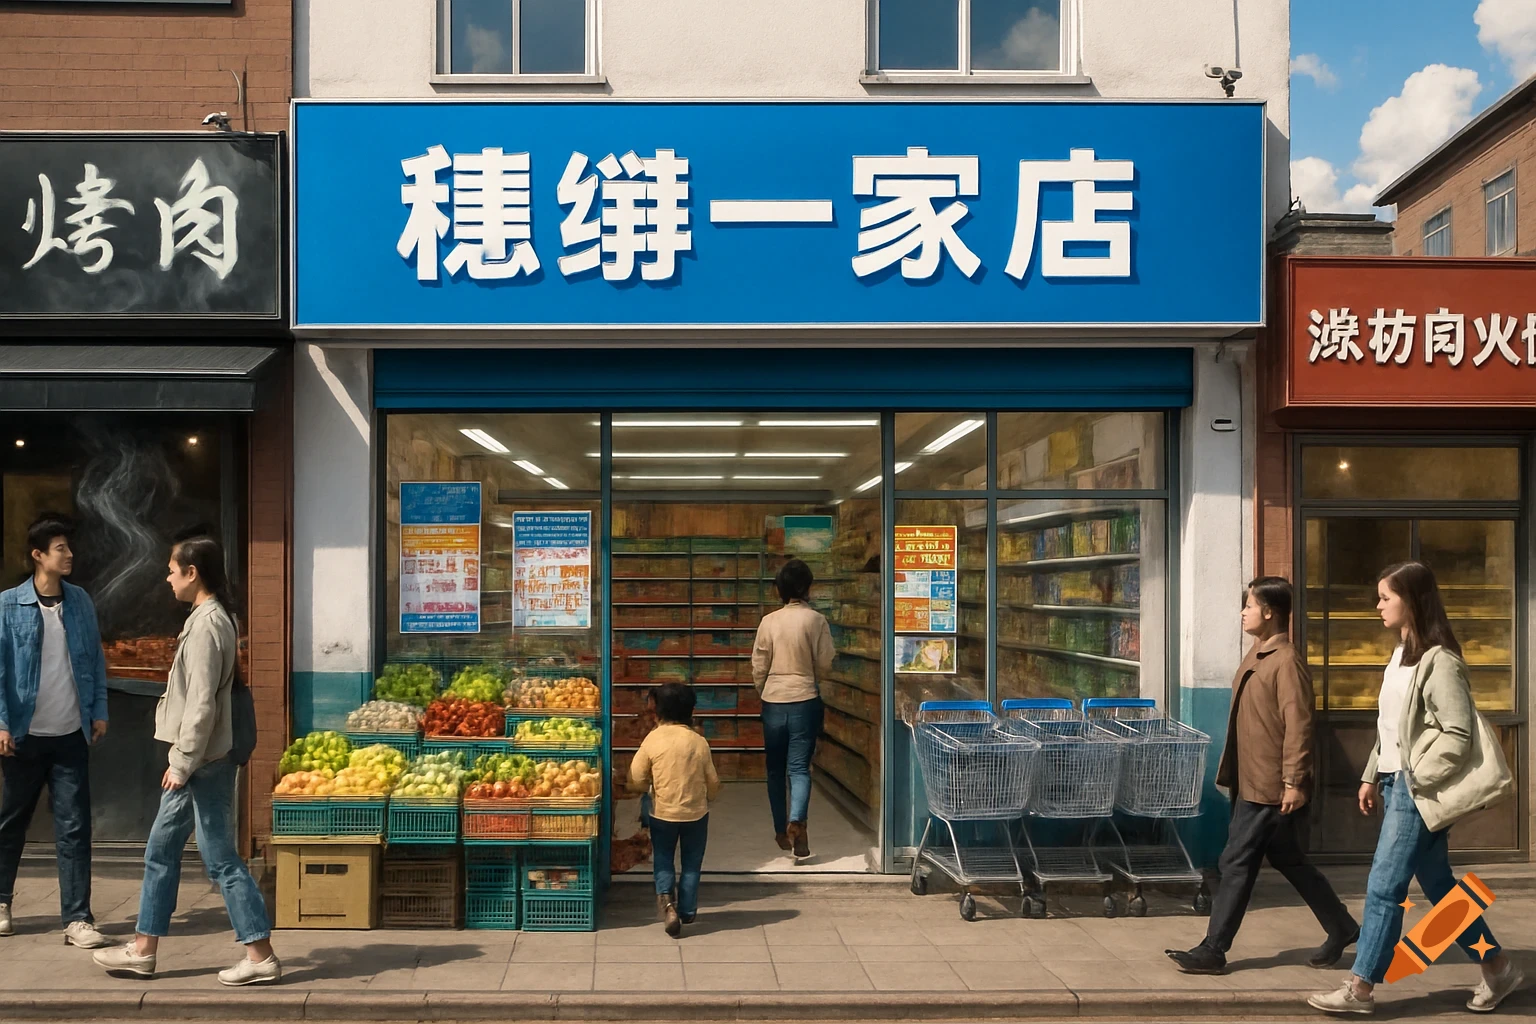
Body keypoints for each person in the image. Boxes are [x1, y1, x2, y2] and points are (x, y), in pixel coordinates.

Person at [1309, 562, 1521, 1016]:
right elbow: (1392, 728)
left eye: (1386, 597)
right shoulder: (1399, 655)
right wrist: (1372, 774)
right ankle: (1499, 967)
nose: (1378, 605)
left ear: (1413, 600)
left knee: (1385, 886)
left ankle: (1360, 988)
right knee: (1441, 888)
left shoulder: (1439, 661)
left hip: (1414, 789)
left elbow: (1458, 733)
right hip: (1394, 783)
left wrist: (1415, 775)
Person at [94, 533, 280, 986]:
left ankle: (260, 955)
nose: (167, 577)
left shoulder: (208, 625)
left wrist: (181, 763)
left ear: (192, 573)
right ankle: (143, 949)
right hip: (198, 759)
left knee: (220, 860)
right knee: (160, 851)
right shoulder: (212, 619)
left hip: (202, 763)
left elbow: (201, 705)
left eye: (172, 569)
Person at [1167, 577, 1356, 975]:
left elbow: (1299, 724)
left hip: (1270, 785)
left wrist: (1292, 781)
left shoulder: (1286, 661)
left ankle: (1213, 949)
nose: (1243, 612)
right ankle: (1341, 925)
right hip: (1251, 779)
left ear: (1269, 612)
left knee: (1235, 861)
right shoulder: (1258, 654)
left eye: (1249, 605)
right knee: (1289, 859)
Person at [0, 514, 112, 949]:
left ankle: (78, 918)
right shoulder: (9, 605)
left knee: (73, 827)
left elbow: (94, 660)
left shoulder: (80, 601)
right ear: (38, 555)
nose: (69, 555)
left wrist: (98, 709)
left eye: (69, 547)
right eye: (61, 548)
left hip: (70, 734)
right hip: (24, 736)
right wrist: (3, 723)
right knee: (10, 823)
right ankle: (2, 901)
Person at [751, 557, 833, 861]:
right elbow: (825, 661)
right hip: (804, 699)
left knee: (775, 770)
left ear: (779, 590)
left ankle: (779, 828)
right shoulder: (816, 620)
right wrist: (810, 677)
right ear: (808, 587)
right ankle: (797, 819)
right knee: (799, 768)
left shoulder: (769, 621)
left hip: (774, 700)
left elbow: (759, 664)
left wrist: (765, 689)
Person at [628, 681, 719, 938]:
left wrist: (643, 787)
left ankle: (667, 904)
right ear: (691, 711)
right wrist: (710, 797)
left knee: (664, 859)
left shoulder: (652, 740)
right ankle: (688, 910)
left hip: (662, 814)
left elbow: (635, 777)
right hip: (696, 814)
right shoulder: (699, 742)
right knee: (691, 863)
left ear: (657, 711)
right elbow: (713, 782)